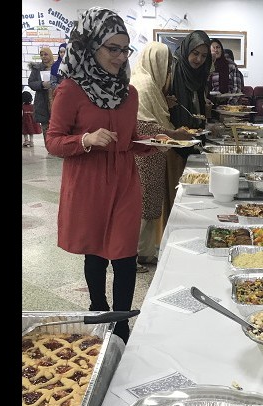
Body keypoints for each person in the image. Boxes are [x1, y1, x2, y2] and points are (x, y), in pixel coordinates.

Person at [47, 7, 163, 343]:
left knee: (125, 255)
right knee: (95, 252)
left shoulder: (129, 93)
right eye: (112, 48)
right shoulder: (71, 90)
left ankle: (122, 323)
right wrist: (85, 139)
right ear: (91, 46)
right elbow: (53, 141)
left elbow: (127, 140)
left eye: (124, 49)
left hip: (125, 181)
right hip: (88, 182)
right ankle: (99, 309)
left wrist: (153, 143)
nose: (120, 57)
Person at [130, 41, 194, 269]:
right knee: (143, 205)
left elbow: (149, 116)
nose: (167, 71)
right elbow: (142, 126)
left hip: (153, 153)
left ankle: (145, 252)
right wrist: (174, 134)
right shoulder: (144, 84)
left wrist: (164, 102)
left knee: (150, 205)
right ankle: (132, 255)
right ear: (155, 61)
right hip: (144, 155)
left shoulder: (147, 83)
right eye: (166, 65)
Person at [165, 30, 212, 223]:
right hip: (174, 140)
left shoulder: (200, 72)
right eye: (195, 53)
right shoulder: (173, 69)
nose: (199, 59)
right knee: (178, 189)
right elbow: (160, 98)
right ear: (186, 50)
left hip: (195, 136)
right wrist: (166, 102)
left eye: (204, 55)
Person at [28, 46, 55, 147]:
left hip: (56, 99)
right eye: (41, 55)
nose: (43, 56)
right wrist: (42, 84)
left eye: (45, 54)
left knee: (57, 125)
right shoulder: (37, 69)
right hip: (43, 101)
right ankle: (49, 147)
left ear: (50, 54)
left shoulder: (57, 66)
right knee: (45, 126)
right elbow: (31, 82)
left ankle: (57, 146)